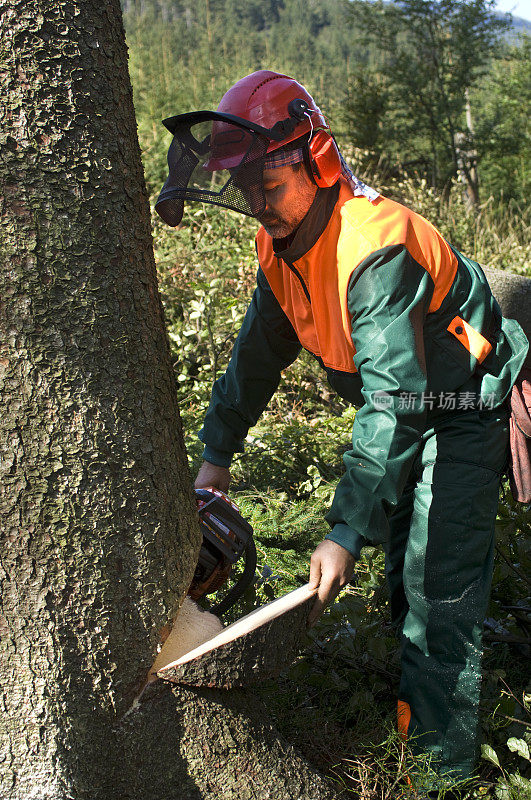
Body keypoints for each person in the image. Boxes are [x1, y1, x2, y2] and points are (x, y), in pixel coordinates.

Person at [155, 71, 529, 796]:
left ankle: (438, 773)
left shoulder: (371, 246)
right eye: (246, 188)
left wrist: (341, 531)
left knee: (435, 581)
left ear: (316, 160)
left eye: (272, 182)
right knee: (403, 565)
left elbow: (394, 400)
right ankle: (410, 709)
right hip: (411, 400)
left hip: (460, 401)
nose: (260, 204)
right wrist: (216, 456)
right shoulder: (279, 248)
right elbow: (255, 356)